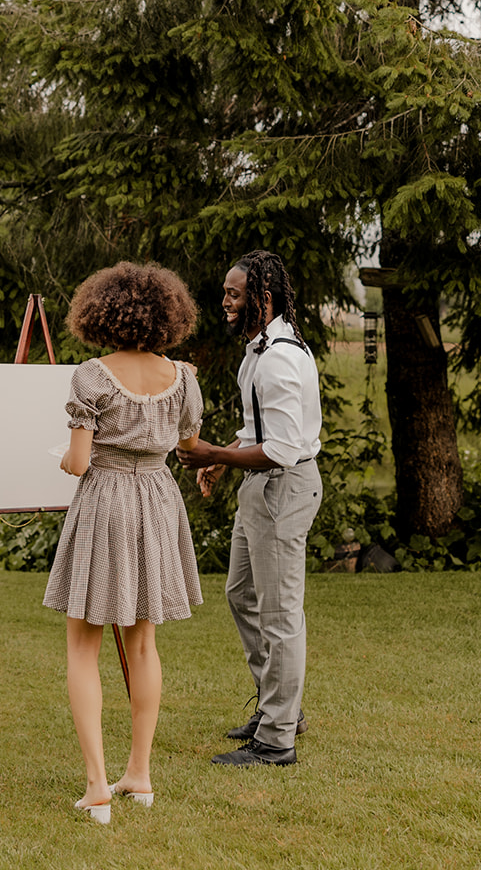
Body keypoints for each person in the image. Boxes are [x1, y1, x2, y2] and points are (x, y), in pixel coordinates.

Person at [43, 261, 204, 822]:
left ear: (100, 313)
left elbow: (80, 460)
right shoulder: (184, 375)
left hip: (106, 504)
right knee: (142, 646)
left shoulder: (91, 374)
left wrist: (66, 458)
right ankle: (140, 774)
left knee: (83, 647)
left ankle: (96, 787)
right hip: (158, 501)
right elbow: (187, 442)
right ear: (168, 315)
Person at [177, 249, 322, 768]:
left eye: (233, 294)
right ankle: (279, 708)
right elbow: (262, 431)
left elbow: (283, 449)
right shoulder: (260, 349)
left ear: (262, 297)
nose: (225, 302)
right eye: (225, 293)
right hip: (261, 486)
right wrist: (225, 456)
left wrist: (215, 453)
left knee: (281, 614)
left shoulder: (280, 357)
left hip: (283, 485)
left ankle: (277, 740)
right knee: (242, 593)